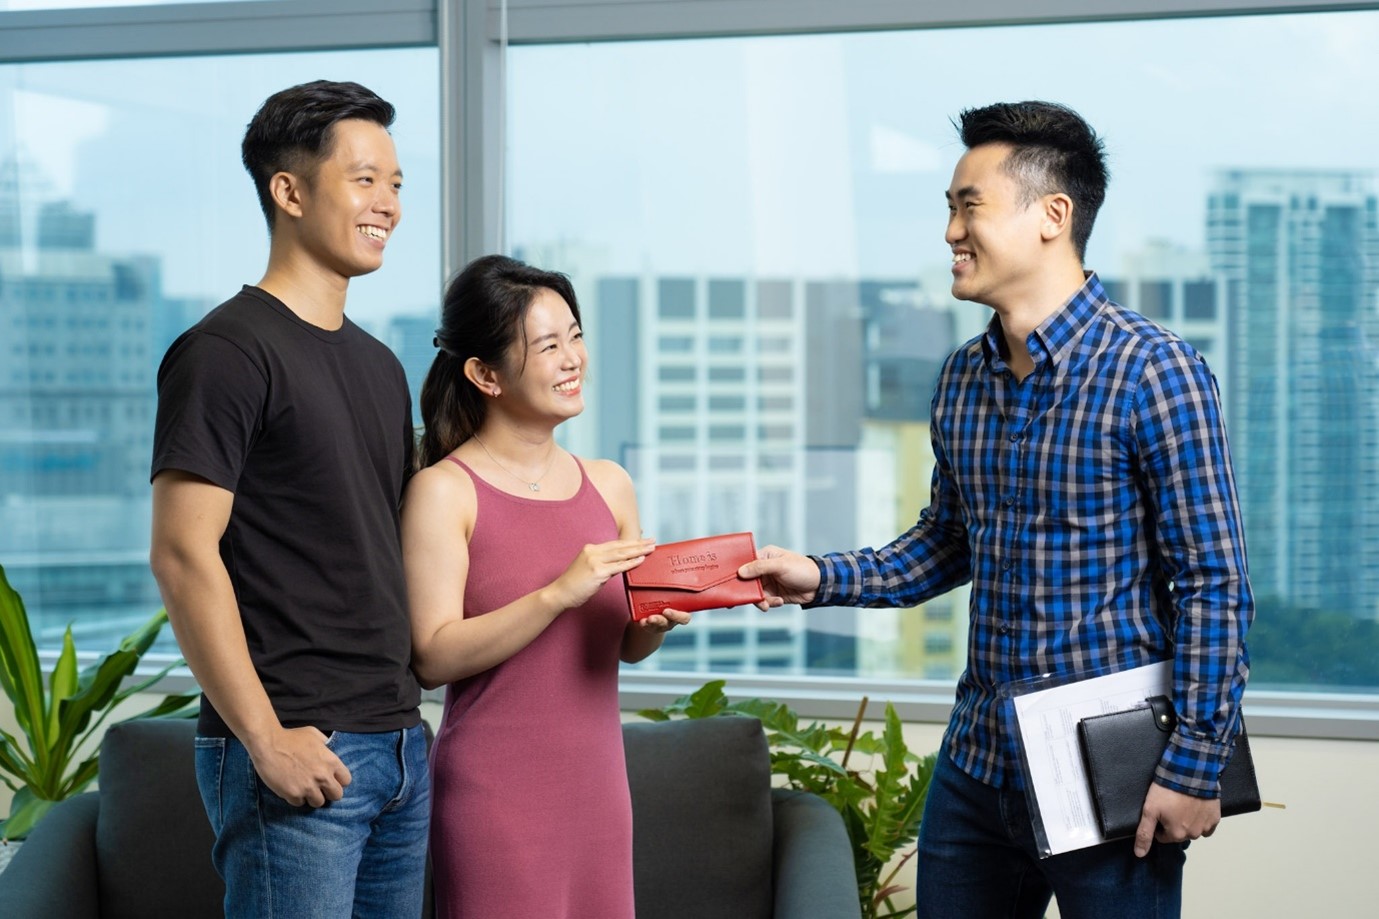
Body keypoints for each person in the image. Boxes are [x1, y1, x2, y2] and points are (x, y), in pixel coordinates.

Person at [740, 101, 1252, 919]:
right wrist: (818, 576)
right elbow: (948, 541)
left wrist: (1192, 766)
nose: (949, 231)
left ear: (1053, 215)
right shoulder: (961, 379)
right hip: (978, 764)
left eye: (966, 204)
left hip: (1107, 775)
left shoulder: (1153, 372)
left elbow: (1212, 585)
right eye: (949, 207)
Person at [148, 80, 429, 918]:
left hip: (399, 742)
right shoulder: (226, 351)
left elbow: (390, 548)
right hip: (298, 739)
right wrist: (264, 737)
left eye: (397, 184)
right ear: (290, 189)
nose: (387, 204)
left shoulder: (379, 364)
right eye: (364, 178)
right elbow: (181, 552)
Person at [402, 254, 689, 919]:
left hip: (597, 788)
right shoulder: (443, 491)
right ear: (484, 374)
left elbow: (620, 648)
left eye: (576, 336)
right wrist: (557, 591)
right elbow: (432, 656)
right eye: (548, 344)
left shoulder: (609, 483)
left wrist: (652, 621)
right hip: (492, 796)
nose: (572, 358)